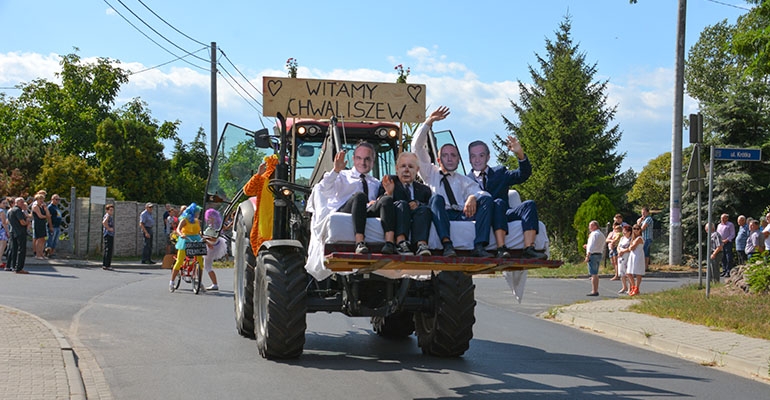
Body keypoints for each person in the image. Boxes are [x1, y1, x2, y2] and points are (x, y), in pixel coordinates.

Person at [412, 106, 493, 257]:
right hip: (440, 213)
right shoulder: (430, 173)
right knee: (436, 198)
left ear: (459, 159)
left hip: (461, 213)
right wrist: (428, 122)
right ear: (438, 159)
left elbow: (482, 193)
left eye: (454, 155)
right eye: (445, 155)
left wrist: (473, 197)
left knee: (487, 200)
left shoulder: (464, 180)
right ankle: (447, 244)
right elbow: (416, 147)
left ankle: (480, 245)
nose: (449, 158)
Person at [467, 138, 546, 259]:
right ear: (469, 159)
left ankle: (529, 248)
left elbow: (523, 174)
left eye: (481, 155)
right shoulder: (465, 181)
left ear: (488, 157)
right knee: (497, 202)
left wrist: (520, 154)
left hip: (504, 213)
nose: (477, 160)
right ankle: (501, 248)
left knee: (529, 204)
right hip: (484, 218)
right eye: (473, 156)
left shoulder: (500, 172)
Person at [316, 141, 396, 254]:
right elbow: (324, 189)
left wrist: (384, 196)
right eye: (359, 158)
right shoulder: (342, 176)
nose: (362, 162)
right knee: (360, 196)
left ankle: (389, 243)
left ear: (373, 161)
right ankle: (359, 242)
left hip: (365, 210)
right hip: (346, 209)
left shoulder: (376, 182)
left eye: (367, 159)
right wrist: (336, 171)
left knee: (386, 199)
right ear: (353, 159)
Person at [377, 151, 433, 256]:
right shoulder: (389, 182)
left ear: (417, 170)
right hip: (398, 213)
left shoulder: (424, 190)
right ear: (397, 168)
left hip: (416, 216)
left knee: (424, 210)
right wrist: (389, 193)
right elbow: (381, 203)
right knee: (402, 204)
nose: (406, 170)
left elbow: (429, 206)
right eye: (403, 166)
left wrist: (418, 204)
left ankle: (421, 245)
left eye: (411, 167)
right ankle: (401, 243)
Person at [170, 203, 204, 292]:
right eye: (197, 212)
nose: (198, 214)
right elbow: (178, 229)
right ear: (193, 212)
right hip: (186, 239)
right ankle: (172, 281)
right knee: (180, 260)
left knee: (200, 261)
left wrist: (202, 236)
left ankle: (199, 281)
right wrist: (181, 234)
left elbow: (199, 231)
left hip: (196, 239)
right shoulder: (185, 220)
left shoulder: (197, 221)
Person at [202, 208, 227, 290]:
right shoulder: (216, 225)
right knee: (206, 265)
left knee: (207, 266)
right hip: (212, 245)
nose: (209, 219)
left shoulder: (214, 227)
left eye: (210, 217)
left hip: (211, 246)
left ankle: (214, 284)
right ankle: (213, 283)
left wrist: (205, 239)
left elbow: (214, 238)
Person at [6, 197, 30, 274]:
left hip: (13, 232)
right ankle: (19, 268)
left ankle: (14, 266)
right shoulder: (18, 210)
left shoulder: (10, 210)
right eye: (21, 202)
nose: (23, 204)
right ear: (17, 202)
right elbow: (22, 222)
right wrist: (27, 222)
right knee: (21, 250)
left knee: (14, 249)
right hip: (20, 232)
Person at [584, 220, 605, 296]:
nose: (589, 227)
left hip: (593, 254)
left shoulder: (593, 234)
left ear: (595, 226)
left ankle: (594, 290)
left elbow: (591, 246)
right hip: (599, 253)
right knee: (595, 273)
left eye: (591, 226)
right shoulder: (601, 234)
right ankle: (595, 290)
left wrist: (587, 255)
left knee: (593, 274)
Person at [627, 224, 646, 296]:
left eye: (637, 229)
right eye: (634, 229)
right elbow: (630, 247)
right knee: (629, 272)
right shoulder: (633, 238)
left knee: (638, 272)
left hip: (638, 255)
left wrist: (631, 246)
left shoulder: (639, 238)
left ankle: (637, 288)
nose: (635, 230)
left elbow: (631, 247)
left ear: (640, 230)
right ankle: (633, 286)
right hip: (632, 255)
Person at [31, 193, 49, 259]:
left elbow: (47, 213)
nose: (42, 200)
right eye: (40, 199)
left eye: (43, 199)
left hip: (42, 223)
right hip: (38, 223)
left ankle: (42, 253)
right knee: (38, 238)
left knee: (43, 239)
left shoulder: (42, 206)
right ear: (37, 199)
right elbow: (40, 216)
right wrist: (47, 217)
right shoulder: (35, 206)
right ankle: (37, 254)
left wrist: (45, 208)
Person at [616, 224, 633, 294]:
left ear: (629, 232)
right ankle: (624, 287)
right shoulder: (622, 238)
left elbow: (630, 248)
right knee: (621, 272)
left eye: (625, 231)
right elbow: (618, 246)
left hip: (627, 256)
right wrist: (619, 251)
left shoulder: (631, 239)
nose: (623, 232)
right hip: (620, 257)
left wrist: (623, 251)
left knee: (628, 272)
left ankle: (630, 288)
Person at [102, 204, 115, 270]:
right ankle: (107, 265)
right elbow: (104, 222)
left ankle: (105, 264)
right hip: (108, 234)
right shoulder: (107, 216)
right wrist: (109, 228)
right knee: (108, 249)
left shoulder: (109, 216)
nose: (112, 211)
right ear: (107, 210)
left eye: (112, 210)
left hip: (109, 234)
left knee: (107, 249)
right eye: (110, 210)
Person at [0, 197, 9, 269]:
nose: (5, 204)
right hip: (2, 230)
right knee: (2, 245)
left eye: (6, 203)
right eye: (3, 203)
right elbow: (4, 222)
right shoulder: (2, 211)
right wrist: (7, 231)